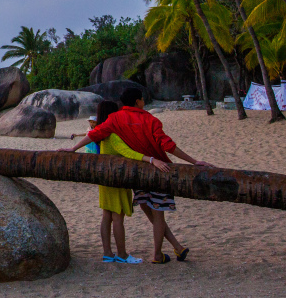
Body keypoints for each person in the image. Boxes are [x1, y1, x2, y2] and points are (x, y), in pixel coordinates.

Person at [64, 88, 212, 264]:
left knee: (147, 210)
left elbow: (94, 134)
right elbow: (168, 146)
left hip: (138, 174)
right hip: (158, 169)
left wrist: (73, 149)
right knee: (158, 214)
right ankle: (156, 254)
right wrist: (194, 161)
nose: (143, 102)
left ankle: (176, 246)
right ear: (138, 102)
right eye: (142, 99)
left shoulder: (115, 119)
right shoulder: (151, 120)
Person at [85, 101, 170, 263]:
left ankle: (107, 253)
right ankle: (122, 254)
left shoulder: (100, 133)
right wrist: (151, 159)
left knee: (106, 216)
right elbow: (128, 153)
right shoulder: (113, 135)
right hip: (117, 179)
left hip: (104, 179)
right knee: (117, 217)